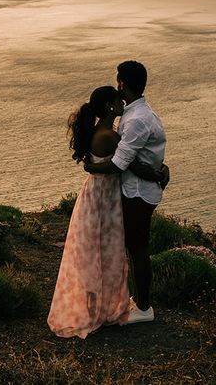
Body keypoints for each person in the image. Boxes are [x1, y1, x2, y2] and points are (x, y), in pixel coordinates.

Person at [47, 85, 164, 338]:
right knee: (101, 252)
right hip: (104, 200)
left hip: (98, 197)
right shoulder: (109, 137)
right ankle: (96, 312)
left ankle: (94, 309)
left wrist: (92, 167)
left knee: (94, 252)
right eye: (117, 99)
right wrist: (160, 174)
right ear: (111, 106)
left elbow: (106, 164)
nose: (122, 100)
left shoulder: (102, 131)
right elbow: (131, 164)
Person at [84, 60, 168, 325]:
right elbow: (138, 156)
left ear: (122, 84)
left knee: (138, 249)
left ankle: (144, 308)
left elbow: (120, 163)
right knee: (133, 248)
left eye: (118, 80)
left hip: (138, 193)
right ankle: (136, 301)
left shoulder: (136, 121)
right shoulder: (138, 114)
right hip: (135, 189)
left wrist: (90, 166)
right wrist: (159, 168)